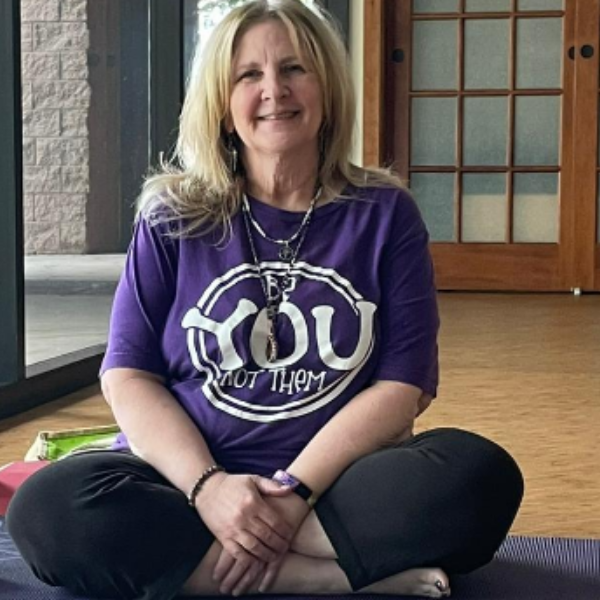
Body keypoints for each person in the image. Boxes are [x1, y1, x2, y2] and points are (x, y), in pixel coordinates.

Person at [7, 1, 524, 599]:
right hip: (187, 481)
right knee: (46, 510)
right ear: (222, 106)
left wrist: (293, 496)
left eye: (294, 69)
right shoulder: (172, 216)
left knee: (480, 477)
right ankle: (319, 578)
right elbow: (127, 375)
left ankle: (211, 568)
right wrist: (211, 490)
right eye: (248, 75)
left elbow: (403, 388)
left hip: (337, 485)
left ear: (326, 86)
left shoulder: (386, 213)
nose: (274, 89)